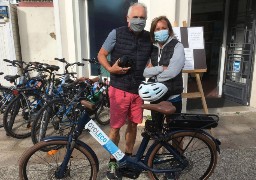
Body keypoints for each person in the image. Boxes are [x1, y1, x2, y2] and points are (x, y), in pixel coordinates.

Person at [97, 3, 152, 179]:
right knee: (114, 128)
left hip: (138, 90)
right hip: (119, 89)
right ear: (128, 19)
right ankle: (113, 160)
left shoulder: (149, 38)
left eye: (142, 17)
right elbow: (101, 55)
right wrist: (110, 69)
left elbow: (152, 59)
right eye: (135, 17)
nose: (139, 20)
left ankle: (127, 159)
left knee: (134, 125)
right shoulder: (116, 33)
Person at [143, 16, 185, 129]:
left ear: (169, 30)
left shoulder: (177, 46)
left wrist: (154, 73)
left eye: (163, 28)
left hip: (173, 95)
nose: (160, 31)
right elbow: (145, 72)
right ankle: (159, 147)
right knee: (157, 129)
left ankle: (175, 148)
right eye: (157, 29)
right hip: (156, 95)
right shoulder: (151, 48)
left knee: (175, 131)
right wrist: (161, 68)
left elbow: (172, 72)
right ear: (153, 31)